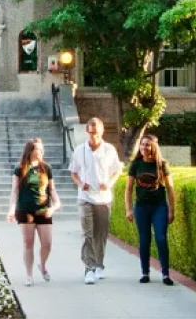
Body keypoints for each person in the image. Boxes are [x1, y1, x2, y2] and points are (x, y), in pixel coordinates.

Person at [68, 118, 123, 285]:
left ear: (102, 132)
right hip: (85, 198)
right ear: (86, 132)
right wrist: (80, 184)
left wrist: (109, 183)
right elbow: (73, 172)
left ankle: (99, 264)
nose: (94, 137)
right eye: (91, 133)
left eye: (97, 133)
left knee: (101, 233)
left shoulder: (109, 150)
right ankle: (89, 267)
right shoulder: (79, 150)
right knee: (87, 233)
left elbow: (116, 171)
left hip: (104, 199)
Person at [7, 138, 61, 286]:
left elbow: (52, 189)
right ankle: (29, 275)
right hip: (25, 210)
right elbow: (14, 191)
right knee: (28, 243)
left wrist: (55, 205)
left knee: (47, 243)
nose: (41, 151)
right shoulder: (20, 169)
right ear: (30, 151)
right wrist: (11, 210)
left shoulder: (46, 168)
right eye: (38, 149)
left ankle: (42, 265)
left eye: (42, 149)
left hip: (44, 209)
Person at [125, 134, 176, 286]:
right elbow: (128, 189)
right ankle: (145, 272)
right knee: (144, 240)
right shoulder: (136, 165)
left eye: (147, 144)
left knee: (161, 238)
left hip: (159, 206)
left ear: (154, 147)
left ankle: (165, 274)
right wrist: (128, 209)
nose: (144, 147)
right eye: (142, 144)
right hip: (141, 207)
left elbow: (170, 188)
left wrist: (171, 210)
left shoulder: (162, 165)